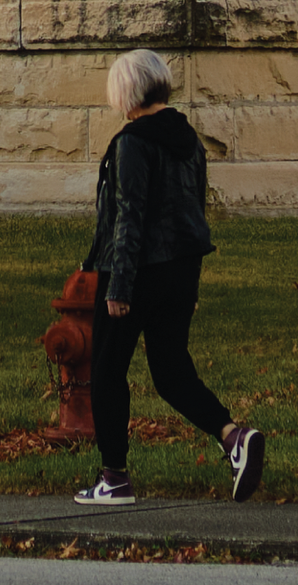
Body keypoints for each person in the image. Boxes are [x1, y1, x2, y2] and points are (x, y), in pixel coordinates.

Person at [73, 48, 264, 504]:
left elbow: (129, 216)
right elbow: (192, 212)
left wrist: (117, 287)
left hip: (135, 272)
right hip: (181, 268)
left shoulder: (132, 142)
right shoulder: (189, 139)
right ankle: (232, 436)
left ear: (127, 91)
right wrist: (188, 286)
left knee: (106, 372)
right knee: (171, 370)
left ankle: (114, 478)